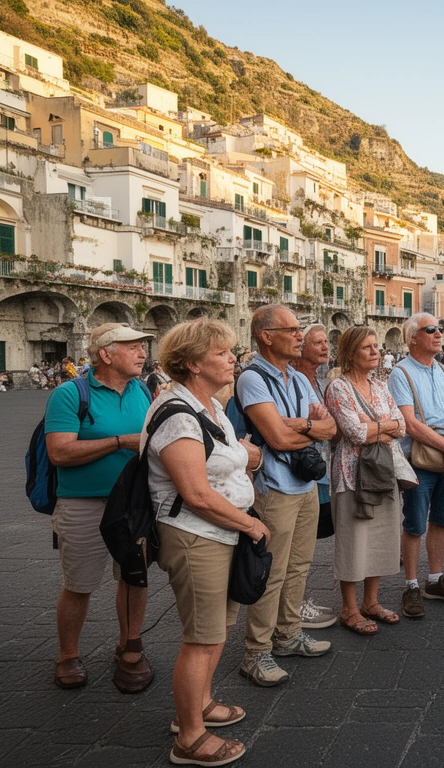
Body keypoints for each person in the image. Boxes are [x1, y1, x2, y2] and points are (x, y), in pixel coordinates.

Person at [146, 318, 269, 767]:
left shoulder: (210, 407)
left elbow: (231, 461)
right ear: (194, 363)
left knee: (217, 628)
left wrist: (246, 462)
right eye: (221, 353)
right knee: (201, 636)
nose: (232, 359)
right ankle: (190, 737)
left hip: (223, 532)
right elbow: (195, 494)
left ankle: (199, 704)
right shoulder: (178, 415)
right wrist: (251, 524)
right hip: (197, 537)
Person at [44, 323, 155, 691]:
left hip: (133, 503)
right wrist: (120, 441)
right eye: (133, 346)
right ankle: (67, 654)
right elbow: (59, 452)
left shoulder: (143, 389)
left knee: (133, 577)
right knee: (79, 584)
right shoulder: (69, 394)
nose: (142, 352)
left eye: (143, 346)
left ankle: (130, 648)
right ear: (106, 354)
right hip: (83, 504)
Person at [235, 305, 335, 687]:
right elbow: (275, 437)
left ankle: (288, 635)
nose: (299, 335)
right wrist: (312, 427)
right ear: (265, 335)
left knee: (299, 566)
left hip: (305, 485)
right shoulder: (252, 379)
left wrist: (303, 425)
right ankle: (255, 652)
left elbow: (331, 428)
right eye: (291, 329)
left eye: (299, 329)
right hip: (273, 487)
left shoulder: (297, 377)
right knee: (272, 572)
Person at [324, 326, 406, 635]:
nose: (376, 352)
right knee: (354, 540)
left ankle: (371, 602)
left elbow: (403, 426)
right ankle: (349, 609)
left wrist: (374, 425)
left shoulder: (381, 385)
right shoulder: (338, 388)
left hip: (383, 472)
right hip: (352, 475)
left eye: (376, 346)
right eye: (367, 348)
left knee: (381, 538)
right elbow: (354, 433)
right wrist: (383, 427)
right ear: (350, 353)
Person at [388, 313, 444, 618]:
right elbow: (408, 422)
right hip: (422, 458)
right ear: (412, 338)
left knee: (442, 521)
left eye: (440, 330)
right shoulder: (400, 373)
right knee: (415, 524)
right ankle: (410, 585)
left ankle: (434, 580)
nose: (439, 334)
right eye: (431, 330)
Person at [290, 325, 340, 632]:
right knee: (296, 545)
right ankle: (294, 608)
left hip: (317, 472)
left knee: (305, 545)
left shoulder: (317, 380)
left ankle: (297, 601)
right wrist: (318, 424)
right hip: (296, 472)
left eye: (326, 342)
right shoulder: (294, 379)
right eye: (317, 342)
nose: (325, 347)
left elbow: (328, 426)